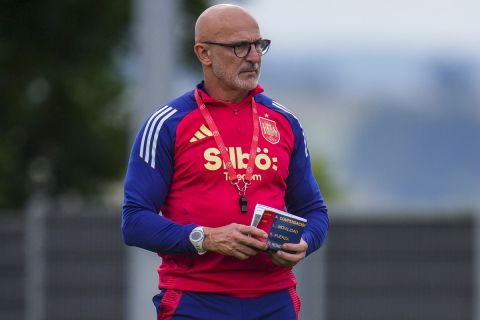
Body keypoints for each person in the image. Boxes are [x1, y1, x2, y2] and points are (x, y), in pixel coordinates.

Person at [122, 3, 329, 320]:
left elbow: (314, 211)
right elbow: (134, 222)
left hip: (273, 301)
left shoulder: (285, 122)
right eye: (239, 47)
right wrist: (206, 238)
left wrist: (305, 242)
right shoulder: (166, 124)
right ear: (204, 53)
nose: (254, 56)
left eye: (259, 45)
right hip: (195, 302)